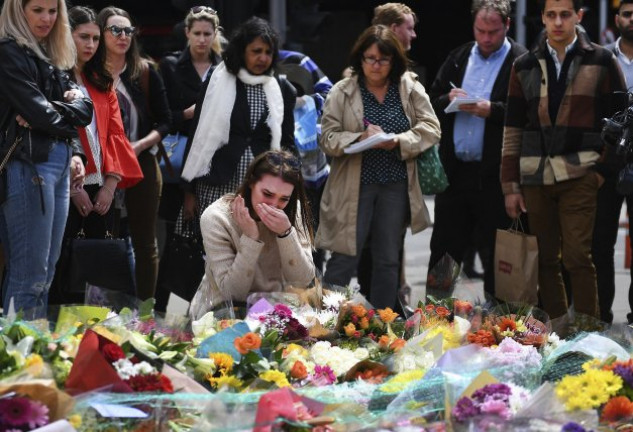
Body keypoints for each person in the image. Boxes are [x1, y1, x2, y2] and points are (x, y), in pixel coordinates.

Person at [501, 0, 626, 319]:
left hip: (582, 171)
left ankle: (586, 334)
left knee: (578, 257)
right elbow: (513, 127)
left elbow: (621, 120)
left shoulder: (602, 59)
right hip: (535, 175)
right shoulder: (524, 65)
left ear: (578, 17)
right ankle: (557, 333)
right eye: (551, 15)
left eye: (565, 15)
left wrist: (601, 170)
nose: (558, 22)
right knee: (544, 259)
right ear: (541, 17)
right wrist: (510, 185)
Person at [318, 25, 441, 310]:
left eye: (382, 59)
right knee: (345, 256)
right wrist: (360, 137)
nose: (375, 65)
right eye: (369, 58)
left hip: (396, 184)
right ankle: (323, 322)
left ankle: (383, 326)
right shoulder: (343, 91)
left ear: (393, 61)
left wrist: (398, 141)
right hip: (354, 185)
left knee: (388, 259)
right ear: (359, 59)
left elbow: (431, 128)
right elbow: (327, 138)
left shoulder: (408, 87)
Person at [427, 0, 527, 296]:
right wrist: (448, 99)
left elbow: (529, 113)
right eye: (480, 30)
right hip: (456, 174)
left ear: (507, 26)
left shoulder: (521, 61)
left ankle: (502, 327)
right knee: (444, 250)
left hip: (496, 177)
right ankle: (435, 317)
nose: (485, 38)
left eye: (493, 32)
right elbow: (431, 103)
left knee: (499, 257)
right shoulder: (458, 57)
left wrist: (491, 110)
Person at [0, 0, 93, 315]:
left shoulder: (56, 53)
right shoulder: (9, 51)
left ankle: (32, 355)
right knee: (30, 274)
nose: (47, 18)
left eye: (53, 10)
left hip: (58, 160)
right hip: (27, 163)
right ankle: (18, 359)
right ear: (18, 10)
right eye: (37, 9)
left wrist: (54, 110)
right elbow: (41, 115)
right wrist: (60, 111)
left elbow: (85, 110)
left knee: (45, 275)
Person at [49, 6, 145, 304]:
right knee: (59, 263)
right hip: (63, 179)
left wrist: (110, 185)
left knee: (97, 271)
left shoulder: (103, 82)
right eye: (83, 37)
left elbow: (117, 135)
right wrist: (73, 187)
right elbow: (56, 132)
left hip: (100, 183)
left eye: (94, 39)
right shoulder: (53, 77)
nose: (90, 45)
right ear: (67, 37)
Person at [179, 16, 296, 239]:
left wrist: (292, 184)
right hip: (217, 182)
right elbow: (198, 135)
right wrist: (189, 191)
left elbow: (287, 143)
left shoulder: (281, 89)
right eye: (256, 51)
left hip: (262, 190)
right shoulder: (218, 80)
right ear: (242, 51)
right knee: (218, 252)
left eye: (268, 52)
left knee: (254, 250)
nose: (263, 58)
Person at [97, 6, 172, 301]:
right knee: (103, 239)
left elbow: (166, 120)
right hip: (100, 166)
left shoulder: (144, 71)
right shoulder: (90, 71)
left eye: (128, 31)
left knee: (145, 242)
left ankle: (144, 312)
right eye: (115, 30)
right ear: (101, 34)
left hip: (141, 161)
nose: (123, 36)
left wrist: (138, 146)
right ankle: (103, 309)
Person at [200, 150, 315, 303]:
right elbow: (231, 294)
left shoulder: (293, 211)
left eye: (284, 199)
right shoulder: (217, 217)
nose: (274, 205)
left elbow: (303, 281)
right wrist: (250, 239)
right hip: (223, 314)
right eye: (267, 194)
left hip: (276, 311)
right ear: (251, 183)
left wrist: (286, 233)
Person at [158, 5, 224, 239]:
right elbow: (160, 116)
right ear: (187, 33)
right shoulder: (170, 65)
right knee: (176, 231)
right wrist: (189, 114)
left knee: (216, 230)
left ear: (215, 34)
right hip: (180, 153)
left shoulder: (225, 68)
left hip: (216, 156)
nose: (202, 39)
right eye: (197, 33)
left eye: (207, 34)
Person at [277, 49, 332, 273]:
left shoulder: (298, 60)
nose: (261, 55)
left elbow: (330, 93)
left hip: (310, 169)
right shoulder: (245, 68)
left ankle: (315, 292)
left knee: (312, 232)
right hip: (272, 170)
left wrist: (305, 102)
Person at [596, 0, 633, 323]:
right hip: (608, 162)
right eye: (627, 14)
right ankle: (601, 312)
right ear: (617, 19)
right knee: (600, 243)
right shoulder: (604, 58)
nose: (632, 19)